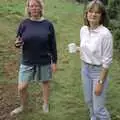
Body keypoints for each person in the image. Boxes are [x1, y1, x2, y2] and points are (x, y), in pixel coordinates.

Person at [10, 0, 57, 115]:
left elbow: (53, 44)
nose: (34, 8)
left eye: (37, 6)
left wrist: (54, 61)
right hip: (27, 60)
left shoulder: (48, 24)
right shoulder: (24, 23)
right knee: (22, 87)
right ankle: (23, 106)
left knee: (45, 82)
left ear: (41, 8)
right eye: (32, 6)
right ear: (28, 8)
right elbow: (18, 39)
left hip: (44, 59)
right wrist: (17, 43)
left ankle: (45, 103)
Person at [80, 0, 113, 120]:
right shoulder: (83, 30)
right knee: (89, 102)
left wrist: (100, 82)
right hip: (85, 69)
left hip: (98, 73)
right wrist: (78, 49)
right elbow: (89, 49)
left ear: (102, 16)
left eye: (97, 12)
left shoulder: (105, 34)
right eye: (90, 11)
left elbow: (106, 62)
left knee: (98, 109)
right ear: (86, 14)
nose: (93, 15)